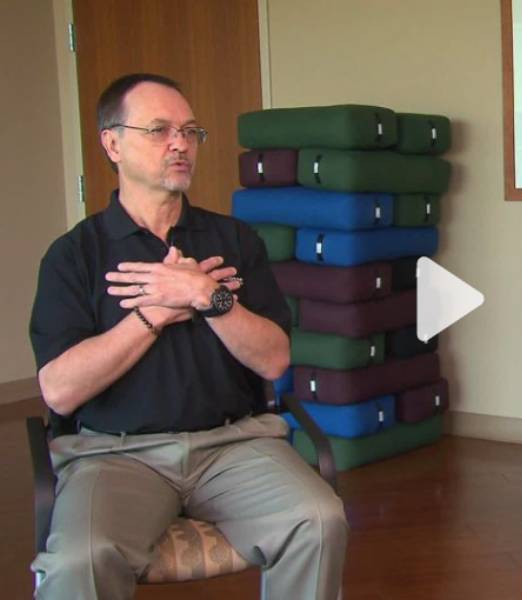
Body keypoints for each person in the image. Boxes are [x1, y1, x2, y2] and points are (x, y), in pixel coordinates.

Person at [29, 73, 348, 600]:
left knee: (318, 519)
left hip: (234, 445)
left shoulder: (234, 240)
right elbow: (59, 391)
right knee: (80, 559)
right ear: (113, 143)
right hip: (114, 454)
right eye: (159, 130)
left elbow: (274, 361)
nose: (180, 144)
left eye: (190, 131)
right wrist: (152, 313)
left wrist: (207, 296)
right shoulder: (73, 256)